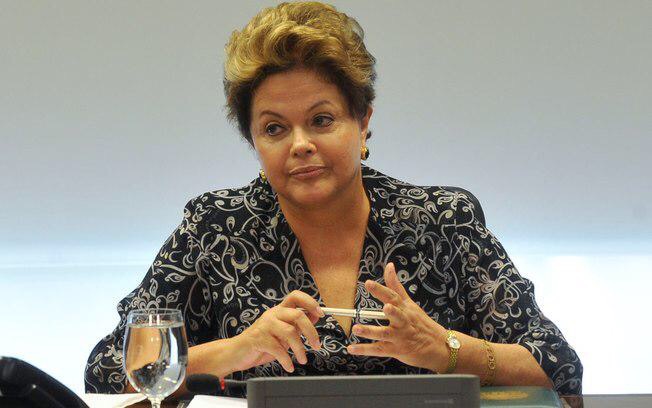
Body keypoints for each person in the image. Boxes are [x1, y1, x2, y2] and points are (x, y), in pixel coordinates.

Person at [85, 1, 582, 397]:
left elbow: (557, 366)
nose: (300, 144)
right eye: (274, 128)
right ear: (253, 141)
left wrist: (446, 349)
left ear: (363, 122)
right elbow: (108, 372)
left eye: (322, 120)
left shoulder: (442, 220)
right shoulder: (214, 228)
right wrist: (239, 349)